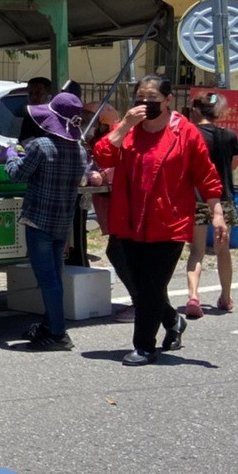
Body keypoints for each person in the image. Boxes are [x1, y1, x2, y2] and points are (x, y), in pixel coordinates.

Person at [93, 76, 226, 366]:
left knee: (152, 286)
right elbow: (103, 156)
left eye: (152, 99)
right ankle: (172, 320)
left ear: (168, 101)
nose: (145, 104)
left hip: (168, 223)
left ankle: (144, 346)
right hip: (127, 221)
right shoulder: (127, 130)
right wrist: (126, 124)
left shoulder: (186, 133)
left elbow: (206, 175)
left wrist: (217, 213)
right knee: (138, 282)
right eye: (140, 98)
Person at [0, 90, 87, 351]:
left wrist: (11, 156)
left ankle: (58, 333)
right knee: (55, 276)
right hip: (63, 221)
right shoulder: (80, 151)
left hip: (39, 220)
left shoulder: (40, 146)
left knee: (46, 278)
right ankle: (51, 325)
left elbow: (17, 174)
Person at [184, 93, 238, 318]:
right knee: (223, 251)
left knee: (196, 251)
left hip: (196, 198)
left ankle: (193, 296)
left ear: (195, 110)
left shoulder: (190, 134)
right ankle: (225, 297)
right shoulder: (229, 136)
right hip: (223, 199)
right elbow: (234, 165)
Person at [83, 102, 136, 321]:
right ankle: (146, 303)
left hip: (123, 204)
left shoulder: (119, 136)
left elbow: (115, 168)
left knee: (121, 252)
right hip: (112, 204)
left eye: (90, 120)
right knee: (118, 251)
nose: (87, 124)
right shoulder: (96, 139)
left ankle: (142, 302)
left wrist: (100, 176)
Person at [18, 76, 53, 143]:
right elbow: (22, 140)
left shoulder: (54, 116)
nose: (33, 97)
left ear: (48, 94)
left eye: (38, 93)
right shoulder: (29, 117)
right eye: (30, 93)